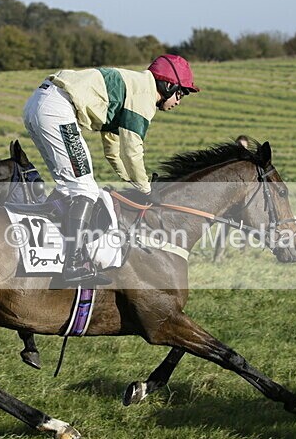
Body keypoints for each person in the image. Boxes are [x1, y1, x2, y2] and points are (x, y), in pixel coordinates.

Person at [23, 54, 200, 285]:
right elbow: (132, 149)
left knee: (69, 187)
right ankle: (74, 263)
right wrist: (145, 188)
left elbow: (113, 149)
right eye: (181, 93)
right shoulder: (143, 97)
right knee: (85, 189)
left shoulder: (135, 87)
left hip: (39, 105)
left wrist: (130, 179)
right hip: (56, 109)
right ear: (168, 85)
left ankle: (54, 252)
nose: (179, 100)